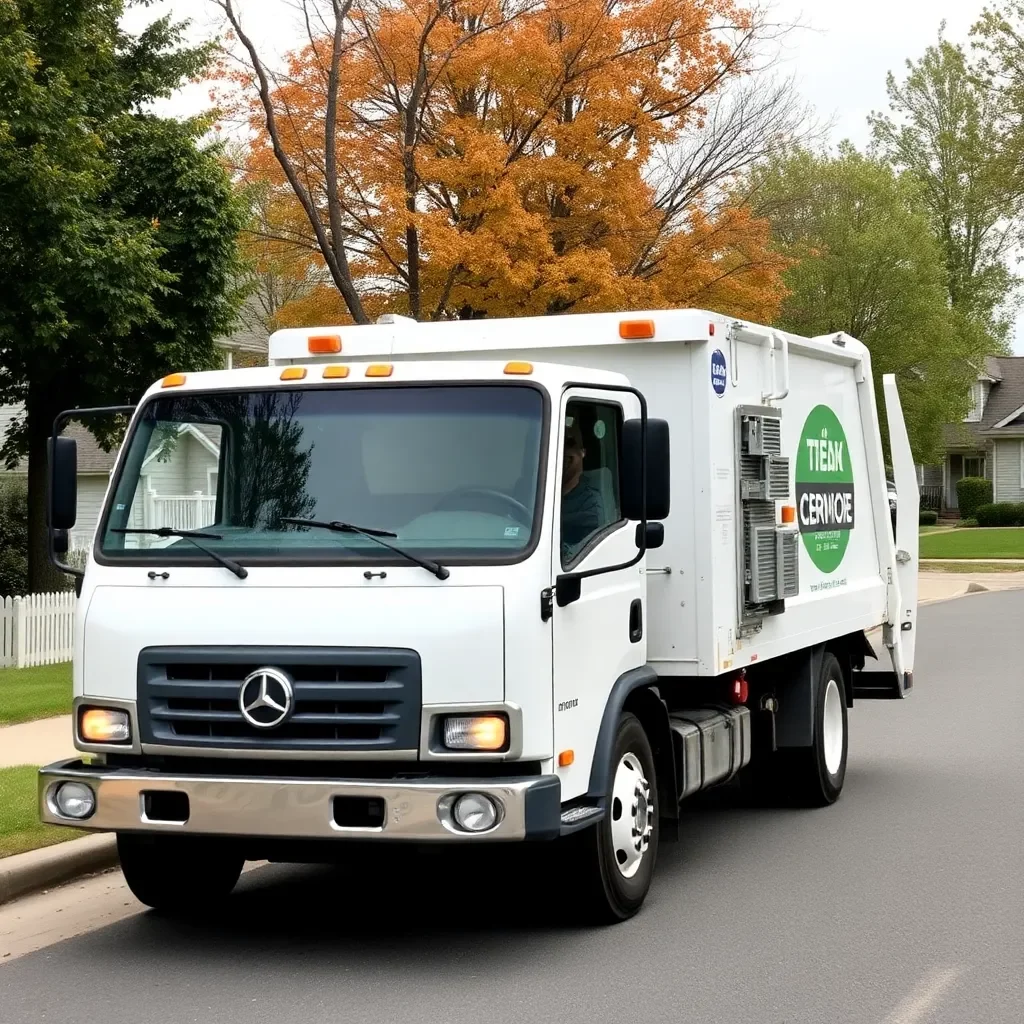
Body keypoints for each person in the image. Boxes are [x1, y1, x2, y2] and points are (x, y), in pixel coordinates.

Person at [561, 418, 603, 556]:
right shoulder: (528, 496)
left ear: (583, 451)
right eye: (555, 445)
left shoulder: (592, 504)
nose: (561, 452)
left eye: (569, 443)